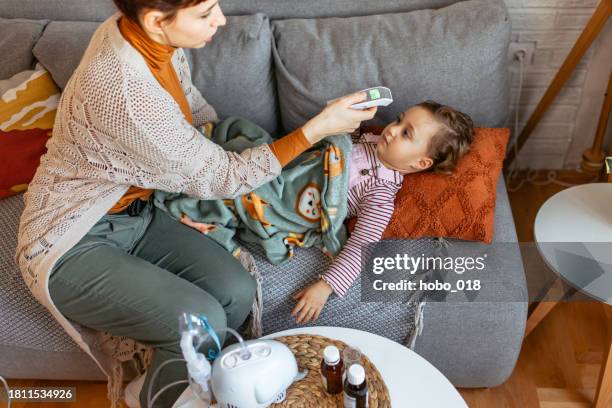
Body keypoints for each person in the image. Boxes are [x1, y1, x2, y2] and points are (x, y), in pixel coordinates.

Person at [14, 0, 376, 407]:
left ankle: (178, 380)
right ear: (155, 21)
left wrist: (243, 148)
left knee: (237, 291)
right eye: (206, 14)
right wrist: (317, 129)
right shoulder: (125, 92)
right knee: (203, 324)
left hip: (137, 213)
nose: (221, 20)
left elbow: (194, 113)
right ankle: (149, 398)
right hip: (72, 237)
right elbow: (224, 179)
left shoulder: (141, 36)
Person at [291, 101, 475, 324]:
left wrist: (325, 286)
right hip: (297, 163)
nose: (392, 129)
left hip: (298, 200)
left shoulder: (380, 195)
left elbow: (362, 245)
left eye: (406, 133)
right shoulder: (368, 140)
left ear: (420, 162)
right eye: (399, 120)